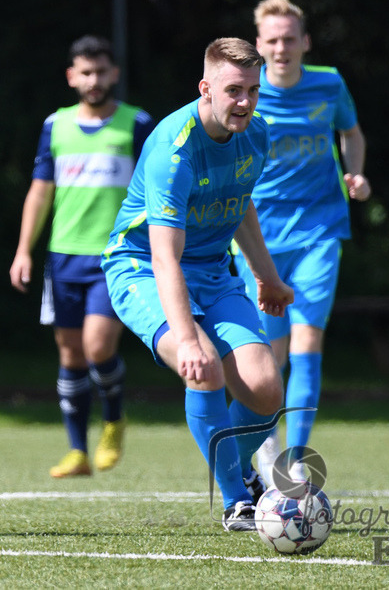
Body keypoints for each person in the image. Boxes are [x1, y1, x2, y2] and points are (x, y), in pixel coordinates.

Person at [101, 38, 293, 531]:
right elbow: (164, 255)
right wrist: (187, 339)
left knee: (268, 391)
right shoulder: (174, 146)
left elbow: (241, 204)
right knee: (203, 367)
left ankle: (240, 473)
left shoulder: (257, 134)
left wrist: (266, 276)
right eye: (234, 91)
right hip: (142, 267)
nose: (246, 102)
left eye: (253, 89)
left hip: (212, 271)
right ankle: (237, 500)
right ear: (206, 89)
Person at [233, 0, 371, 485]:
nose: (281, 47)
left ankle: (296, 457)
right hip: (259, 237)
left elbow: (351, 134)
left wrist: (355, 174)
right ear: (259, 45)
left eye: (290, 38)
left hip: (320, 229)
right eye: (271, 39)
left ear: (305, 42)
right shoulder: (245, 93)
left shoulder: (329, 84)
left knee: (309, 339)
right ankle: (266, 447)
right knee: (271, 355)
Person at [9, 35, 154, 478]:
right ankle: (77, 451)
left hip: (116, 256)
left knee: (97, 346)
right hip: (63, 257)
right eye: (85, 72)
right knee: (71, 355)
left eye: (101, 71)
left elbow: (158, 188)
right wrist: (23, 251)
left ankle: (113, 420)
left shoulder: (137, 124)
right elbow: (40, 190)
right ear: (72, 77)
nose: (94, 80)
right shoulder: (57, 125)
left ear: (115, 74)